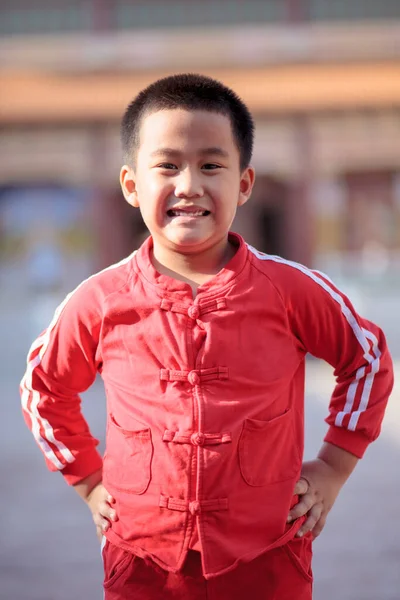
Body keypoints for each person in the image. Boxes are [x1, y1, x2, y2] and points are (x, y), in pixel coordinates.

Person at [20, 73, 394, 600]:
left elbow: (368, 357)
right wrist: (86, 478)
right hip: (143, 563)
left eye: (211, 165)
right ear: (131, 185)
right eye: (167, 165)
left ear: (244, 183)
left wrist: (335, 465)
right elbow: (42, 388)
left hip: (267, 554)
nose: (189, 185)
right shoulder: (99, 300)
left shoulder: (289, 289)